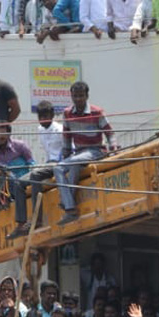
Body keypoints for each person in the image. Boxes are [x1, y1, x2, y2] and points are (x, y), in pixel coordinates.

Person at [56, 81, 116, 222]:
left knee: (58, 168)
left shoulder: (96, 112)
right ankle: (70, 207)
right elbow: (66, 137)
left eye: (81, 96)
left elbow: (110, 133)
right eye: (75, 96)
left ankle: (68, 207)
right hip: (78, 154)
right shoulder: (67, 113)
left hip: (95, 151)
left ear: (87, 96)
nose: (78, 99)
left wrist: (113, 149)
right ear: (71, 96)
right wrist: (66, 156)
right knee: (71, 167)